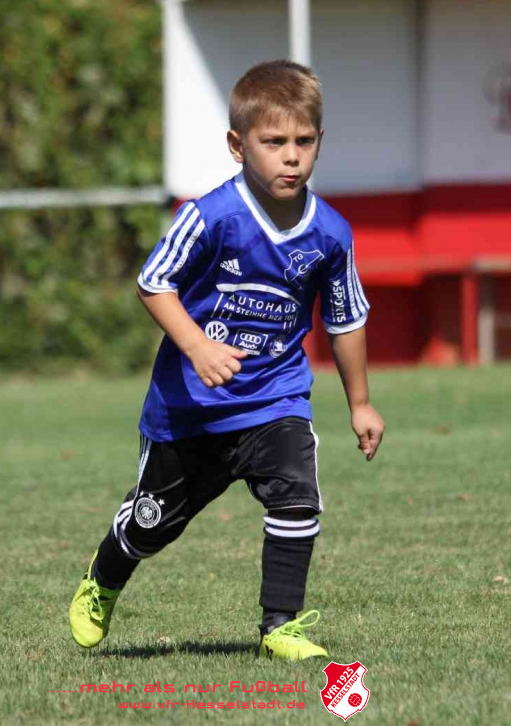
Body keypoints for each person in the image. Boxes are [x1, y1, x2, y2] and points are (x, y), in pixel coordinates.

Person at [68, 59, 384, 661]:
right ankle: (103, 579)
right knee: (151, 525)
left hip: (275, 398)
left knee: (298, 496)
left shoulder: (331, 233)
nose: (291, 157)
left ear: (320, 142)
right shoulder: (211, 216)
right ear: (238, 147)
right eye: (274, 142)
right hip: (191, 411)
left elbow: (345, 319)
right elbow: (153, 283)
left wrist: (361, 404)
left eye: (304, 142)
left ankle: (280, 627)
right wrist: (198, 346)